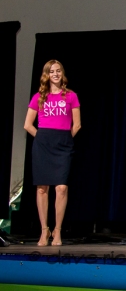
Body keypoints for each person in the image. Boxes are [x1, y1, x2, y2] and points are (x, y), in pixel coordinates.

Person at [24, 60, 81, 247]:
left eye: (58, 71)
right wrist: (41, 138)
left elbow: (77, 124)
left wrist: (65, 139)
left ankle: (57, 230)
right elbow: (28, 125)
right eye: (51, 71)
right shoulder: (39, 97)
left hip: (63, 144)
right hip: (43, 145)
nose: (55, 74)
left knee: (61, 188)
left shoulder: (71, 96)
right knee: (42, 188)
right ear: (46, 75)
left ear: (62, 74)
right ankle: (44, 230)